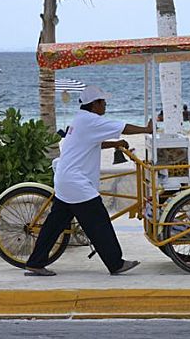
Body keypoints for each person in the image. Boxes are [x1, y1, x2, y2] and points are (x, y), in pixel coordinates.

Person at [25, 85, 153, 276]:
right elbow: (122, 127)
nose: (106, 105)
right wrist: (147, 129)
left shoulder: (80, 120)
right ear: (95, 104)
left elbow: (89, 143)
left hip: (66, 180)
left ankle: (35, 262)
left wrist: (114, 144)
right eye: (103, 102)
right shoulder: (91, 121)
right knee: (99, 222)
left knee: (54, 226)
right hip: (77, 184)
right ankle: (115, 263)